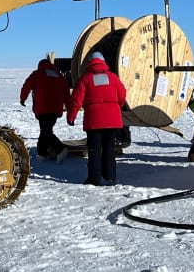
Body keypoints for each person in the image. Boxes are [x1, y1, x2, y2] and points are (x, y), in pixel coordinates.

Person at [66, 51, 128, 185]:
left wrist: (71, 116)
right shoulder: (113, 77)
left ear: (90, 63)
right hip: (113, 121)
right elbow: (122, 94)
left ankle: (94, 179)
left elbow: (76, 100)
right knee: (109, 150)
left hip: (94, 122)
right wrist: (118, 105)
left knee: (94, 151)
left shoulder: (85, 79)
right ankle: (110, 177)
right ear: (103, 62)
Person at [19, 56, 69, 161]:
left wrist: (23, 99)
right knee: (46, 130)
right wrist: (69, 106)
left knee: (46, 131)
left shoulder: (37, 74)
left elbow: (26, 86)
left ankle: (60, 148)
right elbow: (66, 92)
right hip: (55, 109)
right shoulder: (58, 76)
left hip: (42, 108)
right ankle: (42, 153)